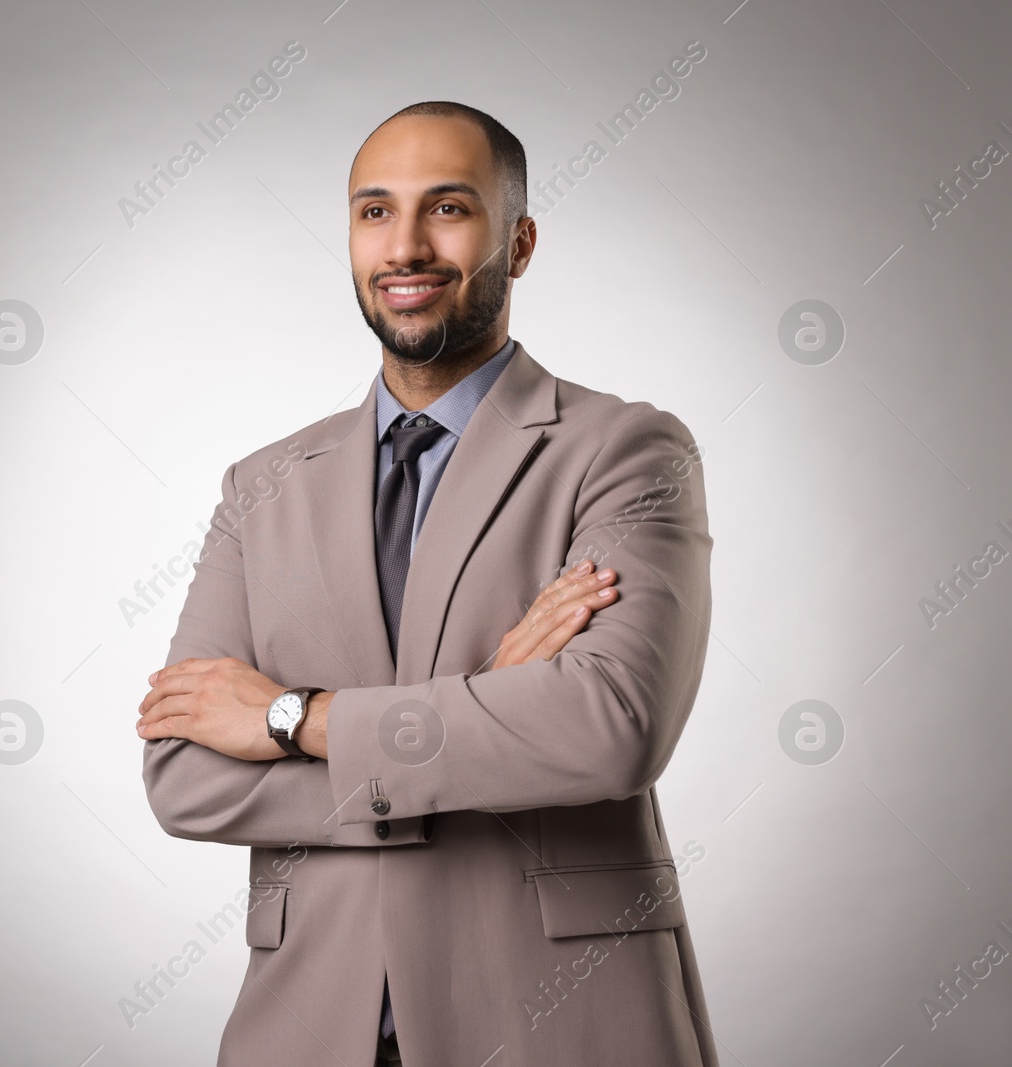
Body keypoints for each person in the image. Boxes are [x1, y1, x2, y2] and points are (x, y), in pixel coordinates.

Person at [136, 101, 717, 1066]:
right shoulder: (261, 483)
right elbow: (183, 779)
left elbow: (609, 727)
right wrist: (487, 710)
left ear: (519, 241)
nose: (404, 246)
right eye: (374, 212)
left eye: (448, 208)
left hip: (559, 1020)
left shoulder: (626, 450)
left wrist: (293, 718)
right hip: (310, 1025)